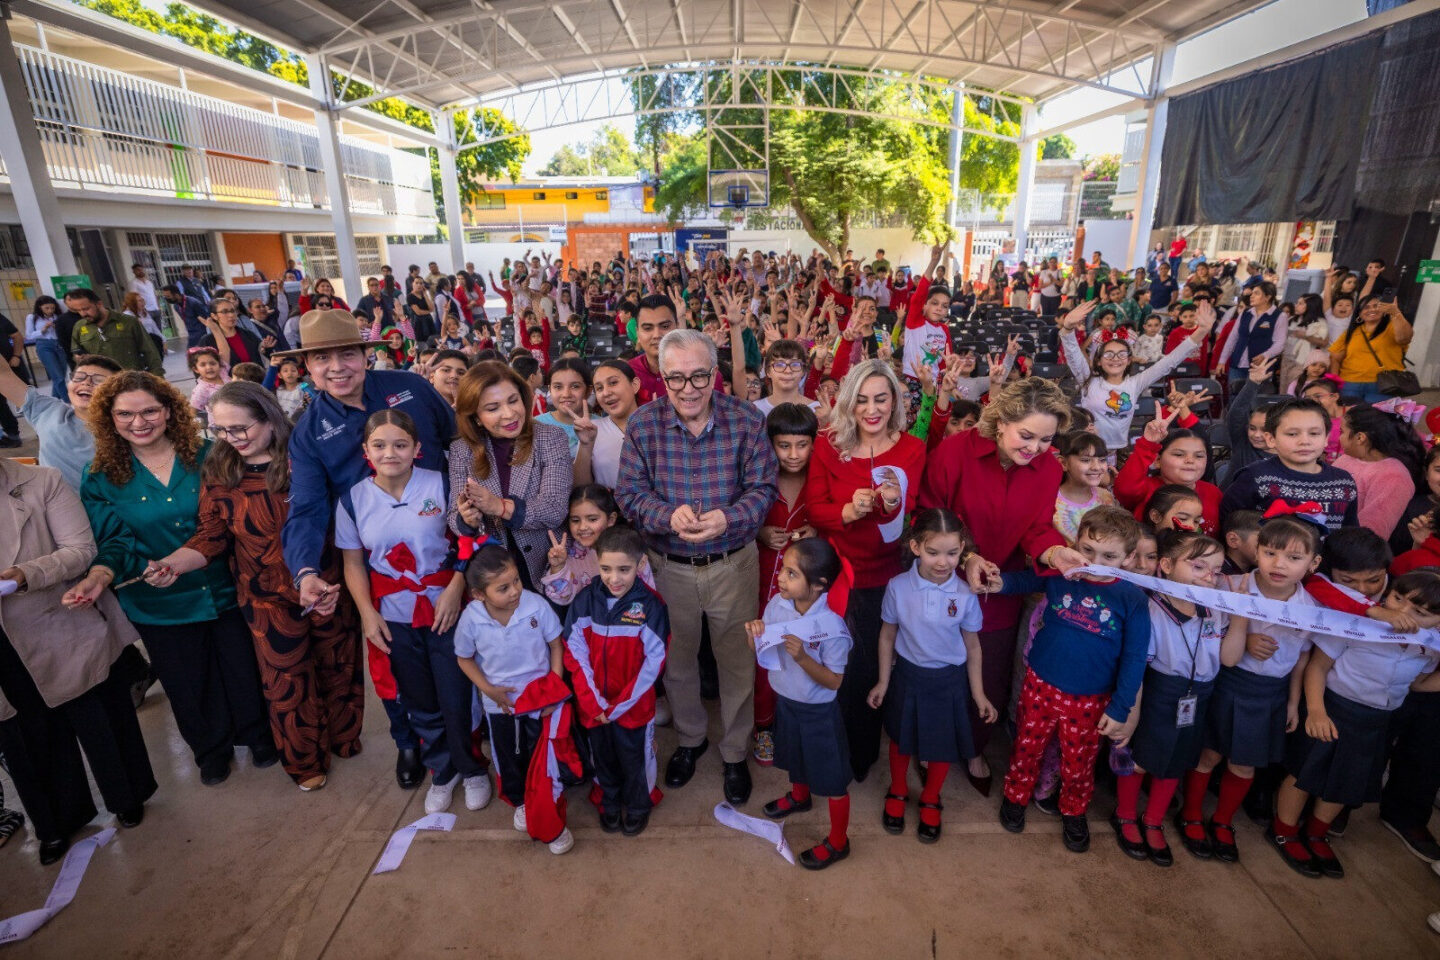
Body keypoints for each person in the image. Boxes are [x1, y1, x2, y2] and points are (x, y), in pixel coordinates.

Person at [142, 383, 363, 792]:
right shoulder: (221, 469)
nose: (232, 439)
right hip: (266, 598)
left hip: (326, 583)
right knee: (286, 684)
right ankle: (304, 763)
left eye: (241, 429)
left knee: (338, 669)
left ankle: (344, 737)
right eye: (222, 431)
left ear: (269, 418)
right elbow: (211, 535)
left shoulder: (304, 458)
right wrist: (173, 564)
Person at [67, 372, 274, 785]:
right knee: (187, 682)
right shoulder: (102, 477)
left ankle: (258, 736)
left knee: (243, 669)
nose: (138, 422)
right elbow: (112, 540)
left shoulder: (211, 454)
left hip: (228, 586)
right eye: (125, 414)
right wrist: (108, 572)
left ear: (169, 411)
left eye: (149, 411)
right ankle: (210, 750)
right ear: (109, 418)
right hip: (158, 601)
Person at [280, 307, 457, 790]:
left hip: (447, 552)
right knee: (393, 662)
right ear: (306, 367)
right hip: (378, 569)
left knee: (457, 655)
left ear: (365, 354)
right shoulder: (309, 433)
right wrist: (306, 571)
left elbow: (457, 441)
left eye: (346, 353)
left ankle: (464, 742)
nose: (336, 367)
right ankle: (408, 741)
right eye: (321, 358)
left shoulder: (412, 388)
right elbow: (309, 509)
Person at [615, 326, 778, 806]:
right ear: (660, 379)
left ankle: (733, 751)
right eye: (676, 379)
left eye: (699, 376)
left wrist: (728, 517)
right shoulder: (643, 425)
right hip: (668, 567)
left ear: (716, 375)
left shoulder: (746, 420)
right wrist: (666, 515)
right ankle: (690, 740)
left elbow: (764, 489)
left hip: (733, 564)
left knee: (736, 663)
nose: (688, 389)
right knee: (679, 664)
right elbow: (628, 493)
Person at [917, 377, 1086, 792]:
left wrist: (1053, 552)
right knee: (935, 668)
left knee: (988, 674)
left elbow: (1036, 528)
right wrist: (967, 556)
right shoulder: (956, 451)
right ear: (1000, 421)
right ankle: (929, 745)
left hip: (998, 590)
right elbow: (929, 513)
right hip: (942, 578)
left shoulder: (1047, 468)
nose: (1035, 449)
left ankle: (974, 745)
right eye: (1026, 436)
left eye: (1046, 440)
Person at [0, 459, 156, 865]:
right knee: (25, 730)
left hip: (60, 616)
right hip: (3, 644)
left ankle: (128, 796)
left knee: (98, 714)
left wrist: (23, 574)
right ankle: (57, 823)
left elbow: (80, 550)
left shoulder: (41, 481)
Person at [339, 409, 492, 815]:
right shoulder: (353, 500)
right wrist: (368, 613)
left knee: (456, 690)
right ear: (366, 451)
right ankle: (442, 770)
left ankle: (471, 766)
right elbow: (353, 562)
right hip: (394, 613)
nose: (391, 453)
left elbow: (468, 539)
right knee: (418, 696)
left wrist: (456, 584)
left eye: (401, 444)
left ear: (417, 449)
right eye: (380, 445)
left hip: (444, 607)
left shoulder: (441, 485)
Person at [988, 506, 1151, 853]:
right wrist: (1000, 582)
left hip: (1091, 699)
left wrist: (1121, 707)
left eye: (1109, 556)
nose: (1093, 560)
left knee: (1079, 762)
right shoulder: (1064, 573)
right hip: (1041, 683)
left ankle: (1074, 811)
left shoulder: (1133, 599)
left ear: (1129, 557)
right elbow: (1026, 580)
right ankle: (1015, 798)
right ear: (1075, 542)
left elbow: (1135, 658)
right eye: (1087, 549)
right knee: (1026, 749)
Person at [802, 359, 926, 780]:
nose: (871, 410)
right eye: (862, 400)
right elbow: (816, 508)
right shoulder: (826, 443)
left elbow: (915, 511)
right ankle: (829, 748)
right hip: (836, 576)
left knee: (872, 669)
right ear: (848, 403)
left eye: (881, 399)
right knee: (834, 666)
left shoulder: (912, 449)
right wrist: (847, 512)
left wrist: (894, 506)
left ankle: (862, 753)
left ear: (894, 401)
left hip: (887, 577)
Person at [1273, 571, 1440, 879]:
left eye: (1419, 612)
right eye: (1397, 599)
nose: (1402, 613)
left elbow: (1417, 684)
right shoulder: (1357, 624)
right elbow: (1318, 668)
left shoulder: (1429, 647)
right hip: (1335, 710)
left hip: (1376, 721)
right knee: (1304, 775)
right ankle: (1284, 830)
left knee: (1347, 782)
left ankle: (1316, 834)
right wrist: (1316, 711)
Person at [1180, 516, 1322, 865]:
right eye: (1270, 552)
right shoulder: (1229, 585)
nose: (1279, 564)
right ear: (1255, 551)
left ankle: (1224, 821)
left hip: (1270, 693)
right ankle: (1191, 814)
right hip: (1228, 682)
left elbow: (1302, 658)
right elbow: (1209, 632)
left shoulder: (1312, 610)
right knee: (1208, 754)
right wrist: (1245, 638)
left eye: (1293, 558)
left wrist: (1292, 702)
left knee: (1244, 764)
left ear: (1313, 564)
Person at [1114, 530, 1248, 866]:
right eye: (1199, 566)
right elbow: (1138, 668)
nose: (1209, 577)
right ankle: (1126, 815)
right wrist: (1132, 711)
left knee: (1177, 759)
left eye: (1216, 571)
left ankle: (1154, 821)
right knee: (1140, 758)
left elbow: (1230, 659)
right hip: (1159, 691)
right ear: (1167, 565)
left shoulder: (1216, 609)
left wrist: (1242, 619)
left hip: (1200, 695)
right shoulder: (1150, 608)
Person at [868, 509, 994, 844]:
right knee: (900, 737)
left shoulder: (966, 594)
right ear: (915, 547)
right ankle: (897, 789)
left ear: (962, 549)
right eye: (933, 552)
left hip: (949, 681)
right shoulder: (897, 587)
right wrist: (883, 680)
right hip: (908, 676)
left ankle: (931, 797)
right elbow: (887, 635)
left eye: (952, 553)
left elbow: (973, 647)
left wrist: (978, 694)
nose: (943, 562)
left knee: (940, 745)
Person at [453, 544, 575, 856]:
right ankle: (520, 800)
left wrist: (554, 685)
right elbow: (464, 659)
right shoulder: (471, 619)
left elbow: (555, 645)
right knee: (508, 755)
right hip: (500, 706)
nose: (515, 591)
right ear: (479, 594)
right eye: (503, 588)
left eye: (517, 581)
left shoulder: (536, 606)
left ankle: (544, 799)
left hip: (539, 700)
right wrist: (489, 690)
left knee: (541, 755)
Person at [748, 538, 854, 869]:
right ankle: (799, 796)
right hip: (787, 701)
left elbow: (835, 681)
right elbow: (764, 650)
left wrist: (804, 658)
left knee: (833, 780)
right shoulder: (778, 605)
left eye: (792, 574)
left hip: (818, 712)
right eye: (783, 569)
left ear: (820, 585)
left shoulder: (831, 629)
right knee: (794, 755)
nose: (781, 578)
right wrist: (754, 636)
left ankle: (839, 841)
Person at [562, 526, 669, 836]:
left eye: (624, 569)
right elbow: (574, 652)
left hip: (633, 708)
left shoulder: (651, 606)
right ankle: (609, 800)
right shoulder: (585, 600)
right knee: (603, 757)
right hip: (594, 707)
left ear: (640, 565)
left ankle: (638, 805)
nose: (614, 578)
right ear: (597, 563)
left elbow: (655, 662)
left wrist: (619, 705)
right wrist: (594, 702)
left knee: (637, 760)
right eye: (606, 568)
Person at [448, 361, 573, 591]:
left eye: (513, 401)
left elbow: (554, 509)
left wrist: (499, 507)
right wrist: (467, 519)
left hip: (547, 566)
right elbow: (454, 515)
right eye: (493, 408)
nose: (509, 413)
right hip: (493, 575)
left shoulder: (550, 438)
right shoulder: (462, 450)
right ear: (475, 416)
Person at [1060, 300, 1214, 456]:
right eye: (1109, 354)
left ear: (1128, 360)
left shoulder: (1135, 383)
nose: (1115, 358)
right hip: (1087, 451)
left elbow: (1169, 362)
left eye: (1122, 354)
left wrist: (1201, 331)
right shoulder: (1088, 380)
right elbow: (1072, 354)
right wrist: (1067, 328)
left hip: (1118, 452)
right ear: (1099, 360)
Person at [1219, 398, 1359, 532]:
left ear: (1326, 438)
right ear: (1271, 439)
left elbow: (1350, 535)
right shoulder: (1255, 477)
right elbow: (1229, 523)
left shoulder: (1343, 482)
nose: (1304, 441)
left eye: (1314, 433)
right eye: (1292, 434)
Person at [0, 351, 119, 490]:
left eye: (98, 380)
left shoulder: (129, 428)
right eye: (79, 378)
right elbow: (2, 373)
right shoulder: (47, 410)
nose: (86, 383)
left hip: (108, 510)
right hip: (54, 508)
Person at [541, 485, 654, 607]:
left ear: (610, 519)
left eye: (592, 519)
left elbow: (648, 598)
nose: (582, 527)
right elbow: (562, 598)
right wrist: (558, 567)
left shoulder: (630, 549)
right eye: (575, 520)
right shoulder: (571, 555)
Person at [1332, 405, 1424, 540]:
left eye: (1342, 432)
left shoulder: (1394, 476)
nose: (1339, 437)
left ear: (1360, 438)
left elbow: (1371, 533)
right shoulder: (1346, 459)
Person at [1329, 296, 1414, 404]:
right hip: (1350, 385)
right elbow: (1335, 358)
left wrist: (1396, 313)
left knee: (1377, 419)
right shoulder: (1351, 332)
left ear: (1383, 310)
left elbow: (1404, 338)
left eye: (1376, 306)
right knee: (1349, 419)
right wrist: (1334, 383)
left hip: (1383, 385)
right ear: (1359, 313)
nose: (1372, 310)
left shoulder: (1393, 327)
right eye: (1366, 307)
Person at [64, 288, 163, 375]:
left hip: (131, 381)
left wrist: (157, 377)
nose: (83, 314)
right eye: (78, 310)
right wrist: (78, 357)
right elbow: (75, 351)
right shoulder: (79, 327)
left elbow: (149, 351)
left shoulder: (128, 322)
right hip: (100, 384)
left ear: (99, 304)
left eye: (86, 308)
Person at [590, 359, 641, 490]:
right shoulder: (591, 430)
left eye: (613, 383)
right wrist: (585, 445)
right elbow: (581, 485)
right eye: (599, 388)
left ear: (634, 385)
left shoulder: (657, 426)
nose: (606, 392)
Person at [25, 296, 69, 401]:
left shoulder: (58, 316)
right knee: (58, 377)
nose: (50, 310)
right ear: (40, 307)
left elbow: (64, 332)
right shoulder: (32, 317)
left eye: (52, 308)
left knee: (60, 375)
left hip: (59, 344)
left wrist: (57, 328)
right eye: (47, 308)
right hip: (44, 345)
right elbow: (29, 335)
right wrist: (42, 330)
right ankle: (69, 401)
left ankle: (54, 400)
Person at [161, 284, 209, 349]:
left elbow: (206, 318)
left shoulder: (194, 303)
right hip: (191, 334)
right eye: (165, 297)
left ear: (176, 295)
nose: (167, 299)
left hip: (201, 334)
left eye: (168, 296)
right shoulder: (176, 306)